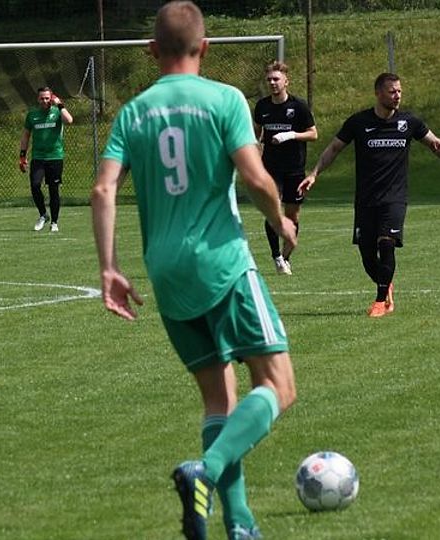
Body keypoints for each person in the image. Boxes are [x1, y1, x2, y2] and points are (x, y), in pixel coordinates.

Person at [90, 2, 298, 539]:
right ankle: (205, 469)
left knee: (218, 399)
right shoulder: (225, 99)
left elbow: (103, 189)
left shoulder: (133, 113)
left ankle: (239, 525)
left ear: (151, 50)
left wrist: (110, 267)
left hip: (166, 272)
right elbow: (255, 178)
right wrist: (280, 220)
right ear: (205, 47)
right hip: (221, 261)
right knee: (278, 386)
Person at [300, 72, 440, 317]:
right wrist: (314, 174)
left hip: (394, 198)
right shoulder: (358, 122)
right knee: (367, 256)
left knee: (386, 243)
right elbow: (334, 148)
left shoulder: (409, 122)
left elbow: (436, 145)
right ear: (378, 93)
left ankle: (380, 302)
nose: (397, 95)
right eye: (392, 91)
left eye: (399, 91)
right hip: (366, 199)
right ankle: (385, 282)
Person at [253, 61, 317, 275]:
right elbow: (256, 134)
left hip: (294, 168)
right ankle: (277, 257)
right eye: (269, 79)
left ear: (286, 81)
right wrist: (255, 153)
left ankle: (286, 256)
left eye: (276, 79)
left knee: (293, 216)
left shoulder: (298, 107)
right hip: (271, 168)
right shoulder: (262, 106)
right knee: (272, 210)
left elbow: (313, 134)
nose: (272, 83)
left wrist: (291, 135)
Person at [19, 86, 73, 233]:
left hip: (55, 157)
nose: (44, 101)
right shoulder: (32, 115)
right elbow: (25, 135)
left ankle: (54, 222)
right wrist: (22, 155)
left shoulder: (57, 112)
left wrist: (59, 104)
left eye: (47, 98)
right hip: (38, 157)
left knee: (53, 190)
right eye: (42, 98)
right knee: (35, 185)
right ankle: (43, 214)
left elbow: (69, 120)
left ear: (51, 98)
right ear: (38, 99)